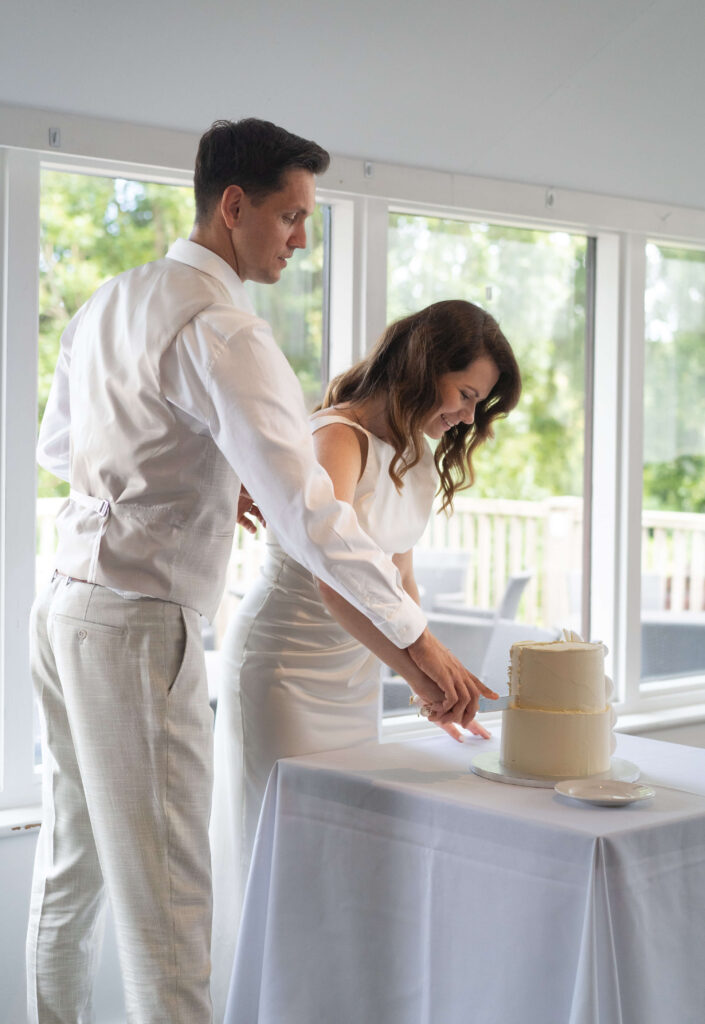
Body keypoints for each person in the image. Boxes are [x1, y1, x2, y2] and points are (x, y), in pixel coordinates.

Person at [27, 117, 495, 1024]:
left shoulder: (109, 301)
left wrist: (208, 475)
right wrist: (418, 644)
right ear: (233, 206)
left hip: (63, 608)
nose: (299, 238)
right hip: (135, 624)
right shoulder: (225, 332)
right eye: (290, 215)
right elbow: (311, 516)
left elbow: (61, 451)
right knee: (171, 906)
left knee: (72, 872)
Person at [210, 298, 521, 1016]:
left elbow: (395, 579)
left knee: (337, 867)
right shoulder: (336, 436)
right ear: (422, 366)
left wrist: (424, 686)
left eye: (480, 404)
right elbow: (336, 579)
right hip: (283, 670)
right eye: (466, 394)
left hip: (350, 674)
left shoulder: (411, 452)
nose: (469, 419)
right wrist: (423, 664)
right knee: (279, 858)